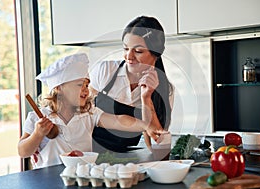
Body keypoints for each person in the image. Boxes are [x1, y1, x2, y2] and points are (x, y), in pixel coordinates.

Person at [17, 53, 162, 168]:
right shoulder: (37, 118)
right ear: (59, 89)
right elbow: (23, 151)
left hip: (82, 177)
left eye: (87, 85)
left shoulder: (89, 113)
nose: (86, 90)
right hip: (47, 182)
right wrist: (37, 134)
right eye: (80, 85)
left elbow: (118, 120)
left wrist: (145, 125)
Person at [89, 16, 174, 153]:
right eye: (126, 48)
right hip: (89, 155)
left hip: (127, 163)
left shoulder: (165, 90)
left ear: (156, 53)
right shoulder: (105, 71)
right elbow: (82, 115)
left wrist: (146, 99)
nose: (129, 56)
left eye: (138, 51)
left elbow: (156, 144)